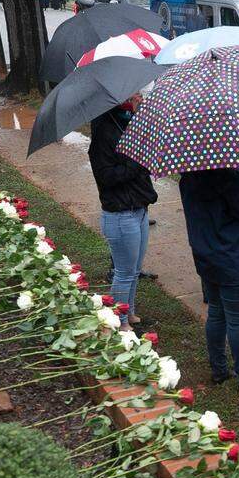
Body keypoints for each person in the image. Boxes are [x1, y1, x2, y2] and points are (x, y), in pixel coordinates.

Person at [179, 168, 239, 391]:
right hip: (236, 259)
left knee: (216, 312)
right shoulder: (230, 177)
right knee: (238, 321)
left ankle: (219, 370)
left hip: (208, 257)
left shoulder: (189, 176)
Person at [88, 92, 157, 329]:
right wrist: (137, 162)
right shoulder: (104, 132)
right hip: (120, 213)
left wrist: (139, 116)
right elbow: (106, 177)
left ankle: (130, 312)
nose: (138, 94)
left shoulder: (125, 120)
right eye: (132, 91)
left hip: (138, 207)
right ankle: (119, 319)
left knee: (135, 269)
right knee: (125, 271)